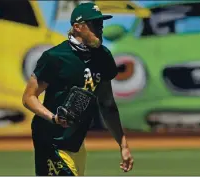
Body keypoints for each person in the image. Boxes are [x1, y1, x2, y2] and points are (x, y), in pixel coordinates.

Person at [22, 2, 134, 176]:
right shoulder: (55, 57)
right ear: (77, 27)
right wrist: (53, 118)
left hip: (76, 142)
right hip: (51, 140)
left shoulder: (103, 57)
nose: (100, 28)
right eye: (94, 24)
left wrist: (123, 144)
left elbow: (107, 104)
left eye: (101, 24)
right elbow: (29, 97)